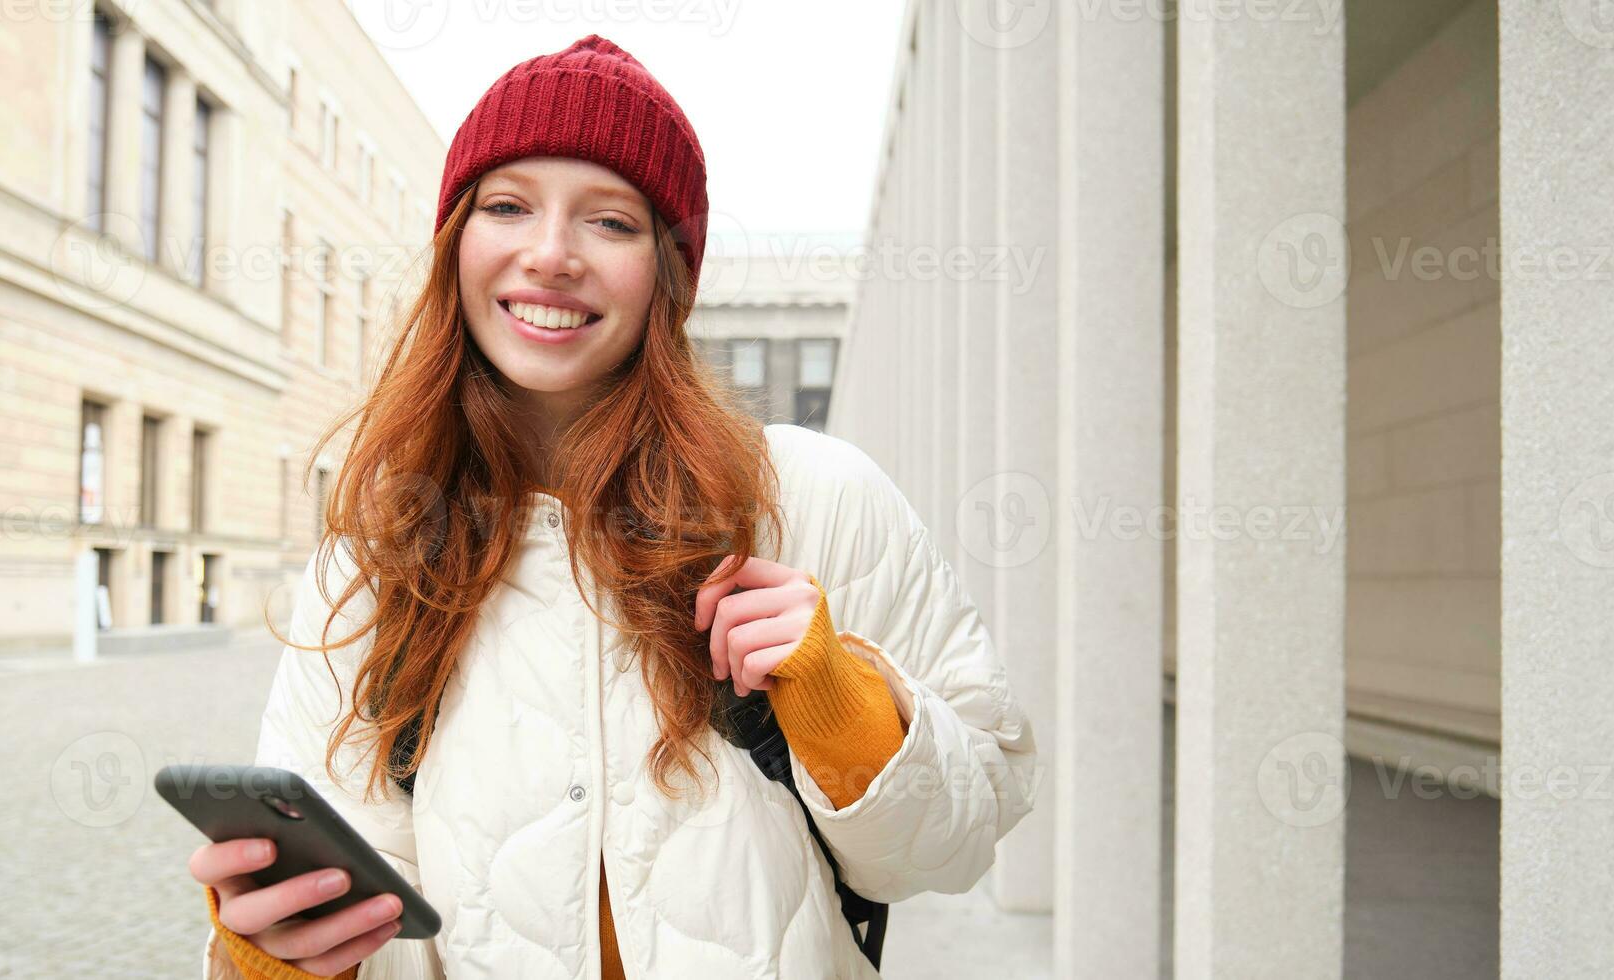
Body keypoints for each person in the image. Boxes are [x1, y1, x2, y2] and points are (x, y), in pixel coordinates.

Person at [185, 34, 1037, 979]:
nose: (550, 256)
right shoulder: (377, 552)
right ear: (456, 244)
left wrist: (844, 705)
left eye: (611, 223)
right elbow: (375, 916)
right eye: (507, 206)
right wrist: (277, 957)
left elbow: (951, 850)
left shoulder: (816, 498)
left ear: (667, 274)